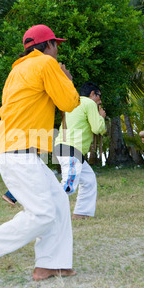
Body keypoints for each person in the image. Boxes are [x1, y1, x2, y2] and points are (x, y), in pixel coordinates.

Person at [0, 24, 80, 281]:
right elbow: (69, 102)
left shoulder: (16, 70)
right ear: (49, 45)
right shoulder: (47, 64)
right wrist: (68, 81)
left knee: (59, 203)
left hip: (12, 147)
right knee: (43, 212)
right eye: (56, 45)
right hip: (18, 149)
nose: (57, 50)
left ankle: (51, 264)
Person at [54, 81, 106, 219]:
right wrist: (101, 118)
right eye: (99, 95)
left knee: (89, 180)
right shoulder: (89, 104)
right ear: (92, 94)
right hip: (71, 149)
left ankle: (82, 213)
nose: (100, 99)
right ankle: (43, 209)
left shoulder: (72, 103)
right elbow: (97, 128)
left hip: (64, 147)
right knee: (68, 186)